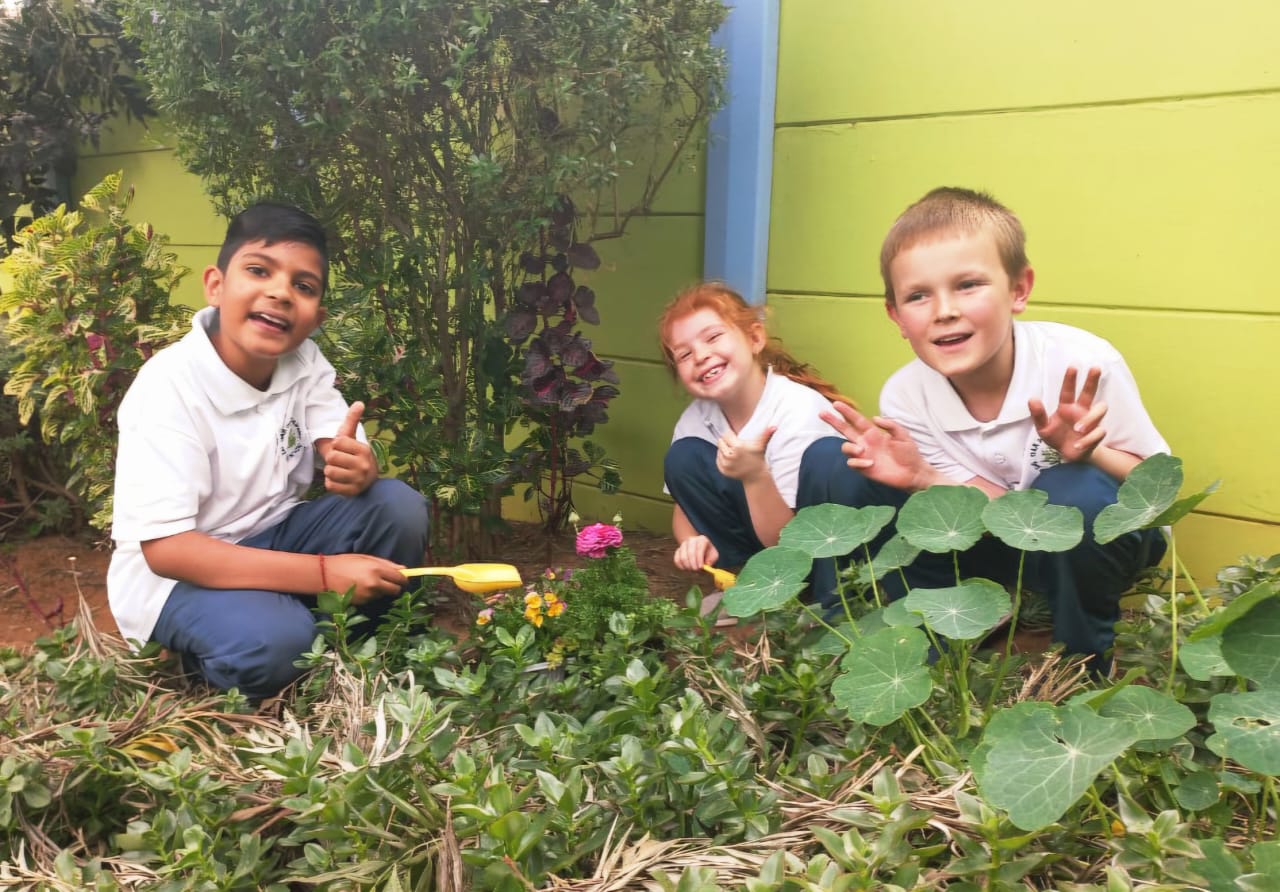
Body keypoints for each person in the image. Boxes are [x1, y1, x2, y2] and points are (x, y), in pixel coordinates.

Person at [818, 186, 1168, 671]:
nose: (944, 310)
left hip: (1110, 535)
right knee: (869, 475)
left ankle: (1084, 660)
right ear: (896, 316)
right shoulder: (905, 394)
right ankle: (928, 647)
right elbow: (989, 508)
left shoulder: (1081, 364)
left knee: (1076, 489)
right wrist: (921, 478)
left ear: (1018, 289)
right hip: (1009, 538)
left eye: (968, 285)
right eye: (918, 296)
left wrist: (1091, 455)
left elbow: (1159, 491)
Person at [107, 202, 430, 699]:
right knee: (280, 644)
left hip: (273, 536)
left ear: (316, 316)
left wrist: (354, 464)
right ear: (215, 284)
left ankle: (361, 648)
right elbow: (167, 550)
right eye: (259, 271)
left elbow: (333, 435)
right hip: (178, 578)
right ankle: (222, 656)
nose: (280, 292)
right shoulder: (167, 390)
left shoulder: (301, 359)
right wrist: (325, 574)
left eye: (303, 286)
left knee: (397, 507)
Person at [659, 282, 858, 596]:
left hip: (818, 551)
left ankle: (816, 604)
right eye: (683, 355)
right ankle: (746, 589)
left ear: (754, 338)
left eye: (713, 337)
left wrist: (754, 476)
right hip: (771, 546)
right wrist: (690, 542)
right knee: (684, 457)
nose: (700, 356)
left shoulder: (798, 411)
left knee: (825, 459)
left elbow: (787, 543)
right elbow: (683, 510)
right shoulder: (696, 420)